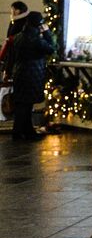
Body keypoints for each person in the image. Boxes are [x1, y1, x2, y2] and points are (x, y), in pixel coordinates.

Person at [9, 12, 54, 141]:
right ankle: (20, 133)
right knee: (26, 106)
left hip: (19, 73)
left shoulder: (18, 36)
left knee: (22, 104)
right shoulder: (35, 40)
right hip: (32, 74)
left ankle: (26, 131)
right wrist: (46, 33)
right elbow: (51, 48)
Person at [1, 0, 30, 82]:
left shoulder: (24, 22)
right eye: (12, 9)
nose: (13, 11)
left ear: (21, 10)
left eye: (16, 9)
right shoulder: (14, 21)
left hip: (17, 53)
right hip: (11, 52)